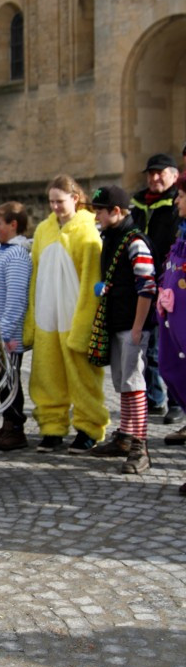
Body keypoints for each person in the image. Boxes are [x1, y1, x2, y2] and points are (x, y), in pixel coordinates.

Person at [22, 174, 108, 452]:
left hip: (74, 314)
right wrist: (32, 320)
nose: (55, 207)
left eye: (60, 201)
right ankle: (52, 427)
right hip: (48, 314)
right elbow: (36, 275)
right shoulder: (43, 231)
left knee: (83, 376)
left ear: (75, 198)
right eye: (51, 202)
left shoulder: (87, 231)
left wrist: (87, 323)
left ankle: (88, 428)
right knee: (47, 375)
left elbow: (92, 278)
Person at [87, 186, 156, 474]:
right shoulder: (112, 237)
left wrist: (138, 327)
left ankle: (141, 446)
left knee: (135, 385)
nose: (96, 217)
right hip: (118, 320)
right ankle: (126, 436)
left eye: (100, 211)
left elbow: (147, 286)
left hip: (132, 324)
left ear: (116, 211)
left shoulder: (134, 241)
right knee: (123, 384)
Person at [130, 153, 180, 421]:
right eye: (151, 173)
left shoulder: (177, 203)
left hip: (170, 283)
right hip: (144, 284)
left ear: (173, 175)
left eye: (161, 172)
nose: (155, 177)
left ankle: (176, 402)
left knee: (171, 345)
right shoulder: (138, 203)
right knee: (147, 345)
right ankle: (154, 398)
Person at [0, 201, 32, 452]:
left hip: (8, 335)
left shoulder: (16, 254)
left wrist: (3, 333)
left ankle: (15, 430)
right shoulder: (4, 251)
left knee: (11, 383)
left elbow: (15, 299)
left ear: (13, 225)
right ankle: (7, 426)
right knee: (3, 382)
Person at [156, 171, 186, 488]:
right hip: (175, 329)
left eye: (181, 195)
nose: (176, 200)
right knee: (172, 373)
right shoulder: (182, 233)